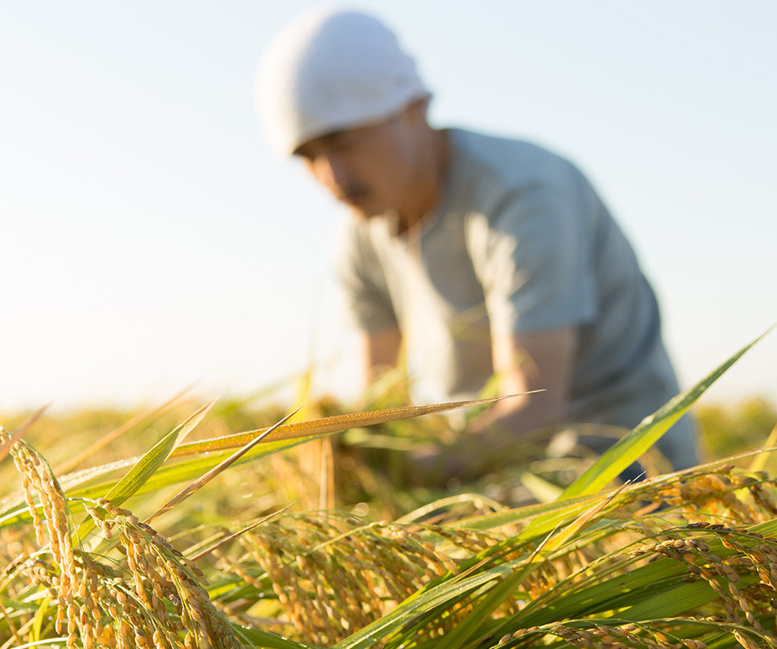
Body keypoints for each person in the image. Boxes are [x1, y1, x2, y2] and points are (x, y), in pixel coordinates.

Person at [256, 8, 700, 475]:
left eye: (343, 141)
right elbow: (382, 404)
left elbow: (534, 405)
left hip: (627, 464)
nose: (333, 177)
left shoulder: (524, 194)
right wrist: (358, 466)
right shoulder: (360, 240)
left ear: (412, 108)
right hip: (494, 468)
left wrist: (413, 475)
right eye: (308, 157)